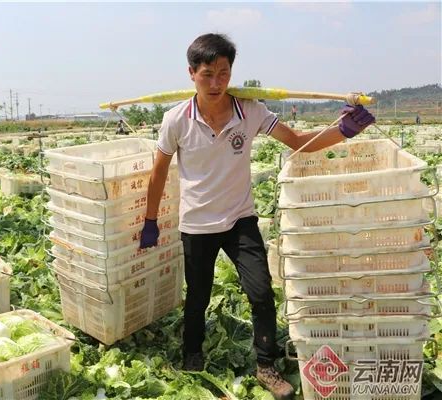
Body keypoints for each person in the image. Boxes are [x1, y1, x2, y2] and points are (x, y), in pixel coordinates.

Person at [138, 33, 374, 400]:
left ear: (231, 72)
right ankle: (192, 353)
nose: (216, 83)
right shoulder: (176, 120)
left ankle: (266, 364)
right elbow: (158, 172)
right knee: (197, 296)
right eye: (207, 75)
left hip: (240, 220)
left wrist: (343, 130)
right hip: (197, 224)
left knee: (261, 292)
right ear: (191, 74)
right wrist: (150, 221)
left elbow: (298, 141)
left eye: (223, 73)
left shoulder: (250, 112)